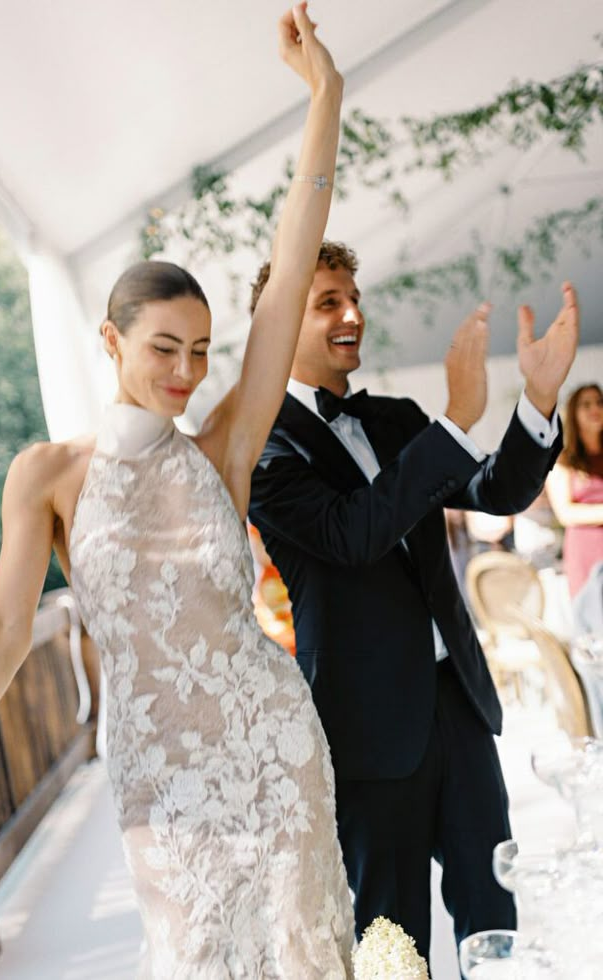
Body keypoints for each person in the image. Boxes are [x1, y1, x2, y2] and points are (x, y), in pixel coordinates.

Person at [0, 8, 356, 976]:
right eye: (163, 348)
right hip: (159, 767)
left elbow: (284, 285)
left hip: (271, 738)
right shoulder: (48, 472)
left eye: (198, 350)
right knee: (196, 955)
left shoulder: (222, 445)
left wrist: (326, 99)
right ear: (112, 340)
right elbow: (5, 626)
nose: (186, 371)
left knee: (303, 957)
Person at [248, 239, 579, 959]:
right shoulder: (262, 450)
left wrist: (539, 403)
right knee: (393, 943)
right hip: (366, 735)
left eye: (354, 298)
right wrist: (456, 420)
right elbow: (351, 534)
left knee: (494, 916)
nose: (352, 314)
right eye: (327, 302)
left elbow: (496, 491)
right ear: (277, 326)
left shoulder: (396, 418)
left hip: (458, 705)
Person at [546, 383, 603, 599]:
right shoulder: (563, 459)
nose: (595, 409)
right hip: (587, 549)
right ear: (573, 412)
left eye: (599, 402)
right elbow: (565, 513)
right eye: (586, 405)